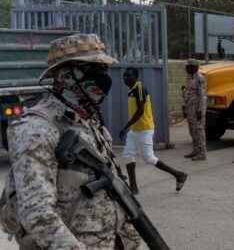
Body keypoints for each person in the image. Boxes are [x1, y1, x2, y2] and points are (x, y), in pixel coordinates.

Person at [0, 34, 142, 248]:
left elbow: (114, 190)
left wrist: (130, 240)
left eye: (104, 70)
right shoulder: (36, 129)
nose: (104, 78)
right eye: (94, 70)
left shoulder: (88, 122)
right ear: (66, 75)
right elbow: (38, 215)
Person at [119, 67, 188, 194]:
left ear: (136, 77)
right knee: (128, 155)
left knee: (149, 158)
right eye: (124, 76)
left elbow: (140, 111)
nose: (125, 78)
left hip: (145, 129)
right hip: (134, 130)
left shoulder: (139, 89)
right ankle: (133, 187)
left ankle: (179, 175)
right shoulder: (131, 91)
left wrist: (125, 127)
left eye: (128, 76)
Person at [183, 59, 208, 161]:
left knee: (199, 130)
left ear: (194, 67)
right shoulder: (189, 77)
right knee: (192, 130)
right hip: (190, 107)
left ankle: (202, 153)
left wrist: (200, 110)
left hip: (197, 108)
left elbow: (202, 96)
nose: (186, 68)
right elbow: (188, 93)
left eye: (188, 67)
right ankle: (195, 150)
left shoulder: (200, 78)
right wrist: (185, 106)